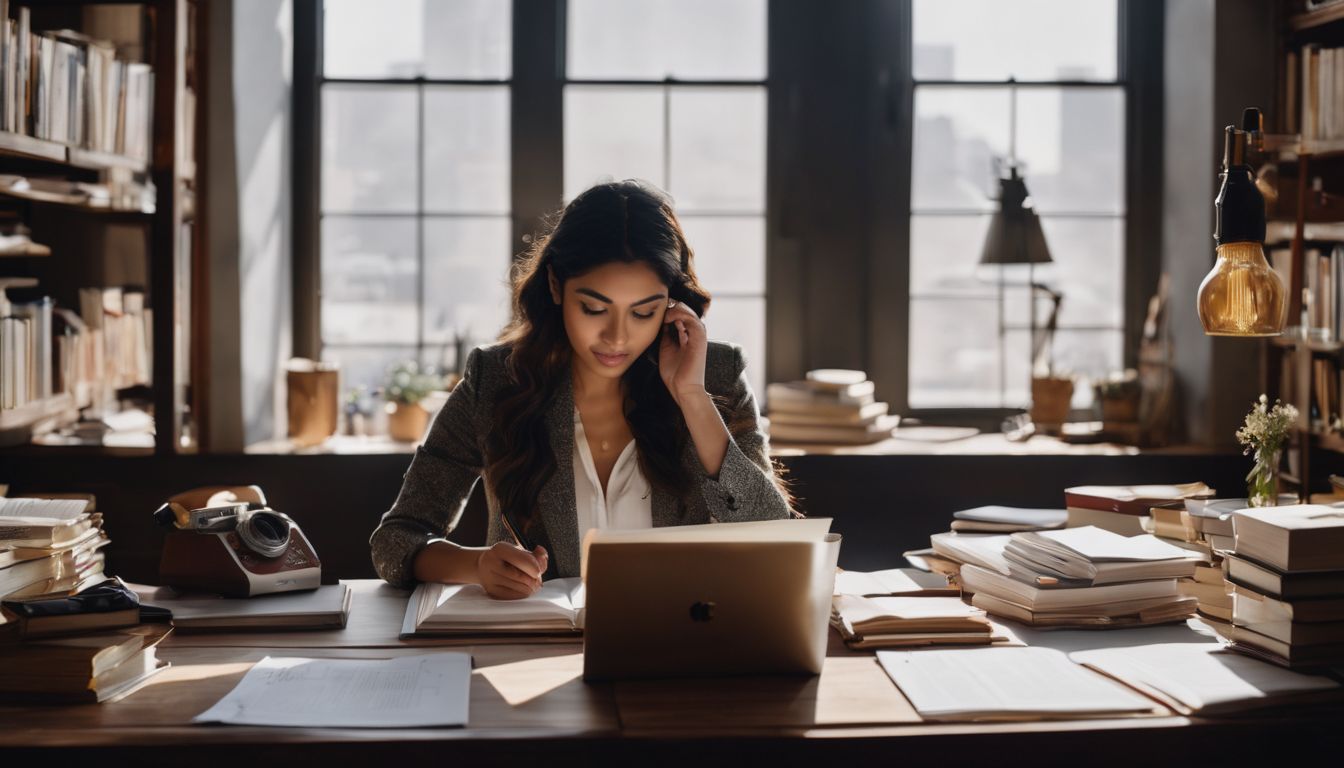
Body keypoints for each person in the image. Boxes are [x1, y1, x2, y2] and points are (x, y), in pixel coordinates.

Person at [370, 179, 795, 598]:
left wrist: (692, 398)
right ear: (556, 286)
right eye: (594, 308)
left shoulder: (714, 374)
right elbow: (394, 542)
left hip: (678, 651)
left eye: (643, 313)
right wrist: (476, 565)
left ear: (670, 305)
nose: (617, 337)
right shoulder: (497, 379)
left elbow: (782, 546)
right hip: (536, 656)